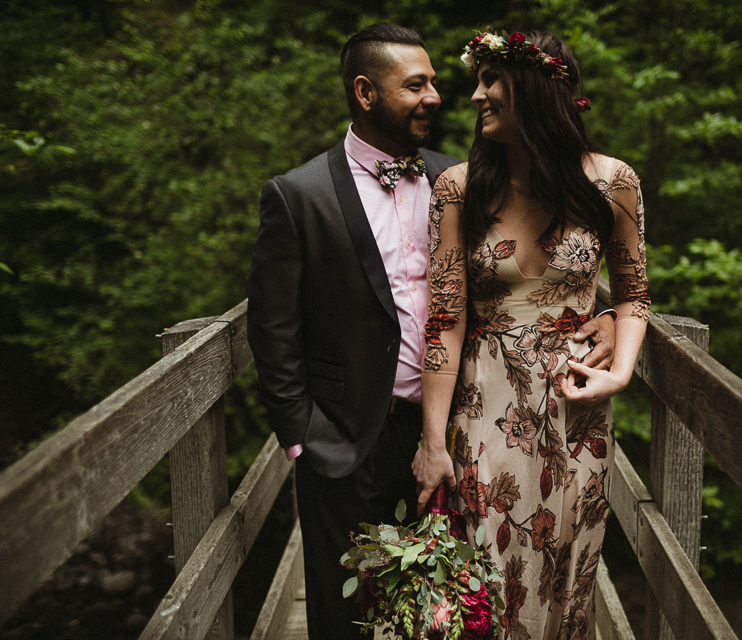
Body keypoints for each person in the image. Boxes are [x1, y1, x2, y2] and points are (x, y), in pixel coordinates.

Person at [246, 23, 616, 639]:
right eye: (414, 85)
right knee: (346, 616)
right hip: (347, 438)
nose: (436, 97)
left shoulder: (465, 180)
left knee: (451, 611)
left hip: (461, 431)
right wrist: (301, 435)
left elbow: (534, 266)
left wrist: (604, 313)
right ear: (366, 93)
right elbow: (273, 327)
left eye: (435, 83)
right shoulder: (298, 196)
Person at [412, 30, 650, 640]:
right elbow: (445, 317)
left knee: (569, 570)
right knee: (486, 575)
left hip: (578, 409)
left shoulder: (612, 181)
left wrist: (618, 372)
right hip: (483, 407)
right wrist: (433, 441)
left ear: (539, 91)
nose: (475, 95)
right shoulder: (460, 189)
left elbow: (632, 296)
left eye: (492, 81)